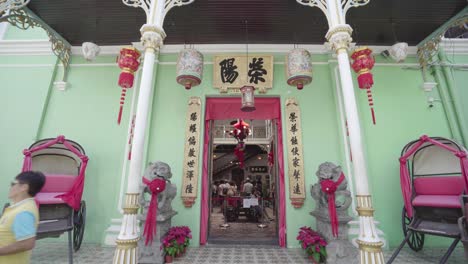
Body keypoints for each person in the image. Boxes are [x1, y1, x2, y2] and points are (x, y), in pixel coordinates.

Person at [0, 171, 45, 264]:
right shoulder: (18, 208)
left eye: (13, 184)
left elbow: (27, 243)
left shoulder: (23, 212)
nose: (10, 187)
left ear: (24, 187)